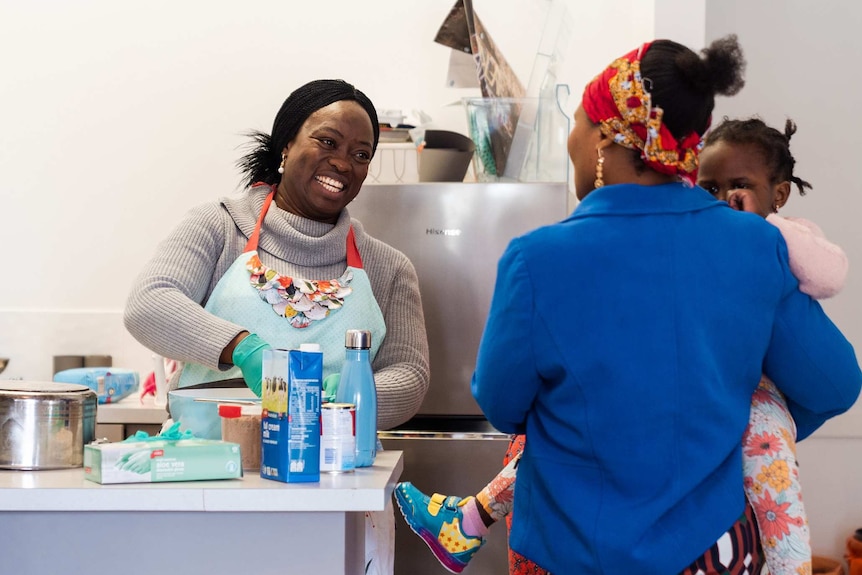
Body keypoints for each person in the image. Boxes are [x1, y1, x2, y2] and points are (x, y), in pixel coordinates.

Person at [469, 32, 860, 574]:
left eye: (578, 123)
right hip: (710, 551)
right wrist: (734, 427)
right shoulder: (755, 244)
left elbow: (501, 404)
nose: (570, 140)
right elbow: (835, 384)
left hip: (571, 554)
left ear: (606, 138)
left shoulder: (537, 261)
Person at [124, 78, 430, 575]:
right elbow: (148, 303)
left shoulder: (387, 266)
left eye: (360, 153)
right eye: (327, 142)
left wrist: (340, 393)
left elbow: (410, 377)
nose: (343, 163)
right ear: (285, 144)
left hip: (336, 489)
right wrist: (245, 349)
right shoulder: (219, 226)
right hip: (210, 481)